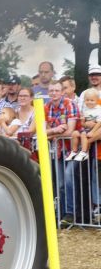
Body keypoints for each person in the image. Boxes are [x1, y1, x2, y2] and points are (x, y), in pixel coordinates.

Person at [44, 80, 79, 226]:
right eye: (51, 90)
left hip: (73, 149)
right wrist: (55, 130)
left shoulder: (69, 104)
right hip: (58, 151)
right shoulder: (46, 107)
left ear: (62, 92)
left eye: (57, 90)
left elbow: (70, 132)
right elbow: (42, 132)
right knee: (60, 184)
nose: (54, 93)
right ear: (48, 92)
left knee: (69, 178)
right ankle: (63, 215)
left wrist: (51, 134)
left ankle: (71, 213)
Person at [67, 89, 101, 162]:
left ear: (97, 100)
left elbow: (99, 122)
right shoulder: (84, 110)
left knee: (83, 134)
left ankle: (84, 152)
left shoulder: (98, 109)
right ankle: (74, 152)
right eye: (87, 100)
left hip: (94, 130)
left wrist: (92, 131)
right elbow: (83, 124)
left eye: (92, 100)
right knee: (75, 133)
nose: (89, 102)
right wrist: (83, 122)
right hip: (86, 129)